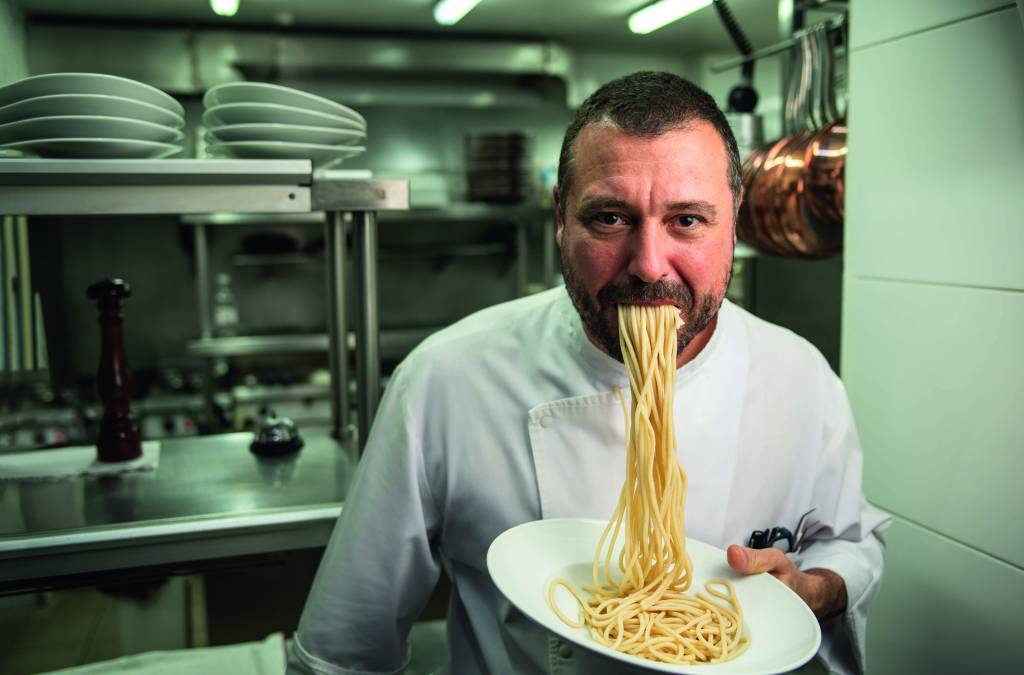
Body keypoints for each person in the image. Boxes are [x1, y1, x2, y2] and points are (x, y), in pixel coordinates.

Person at [287, 71, 890, 675]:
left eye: (686, 220)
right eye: (609, 218)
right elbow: (346, 647)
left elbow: (850, 542)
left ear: (733, 218)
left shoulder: (799, 376)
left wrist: (817, 590)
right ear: (560, 216)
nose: (649, 265)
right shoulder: (447, 380)